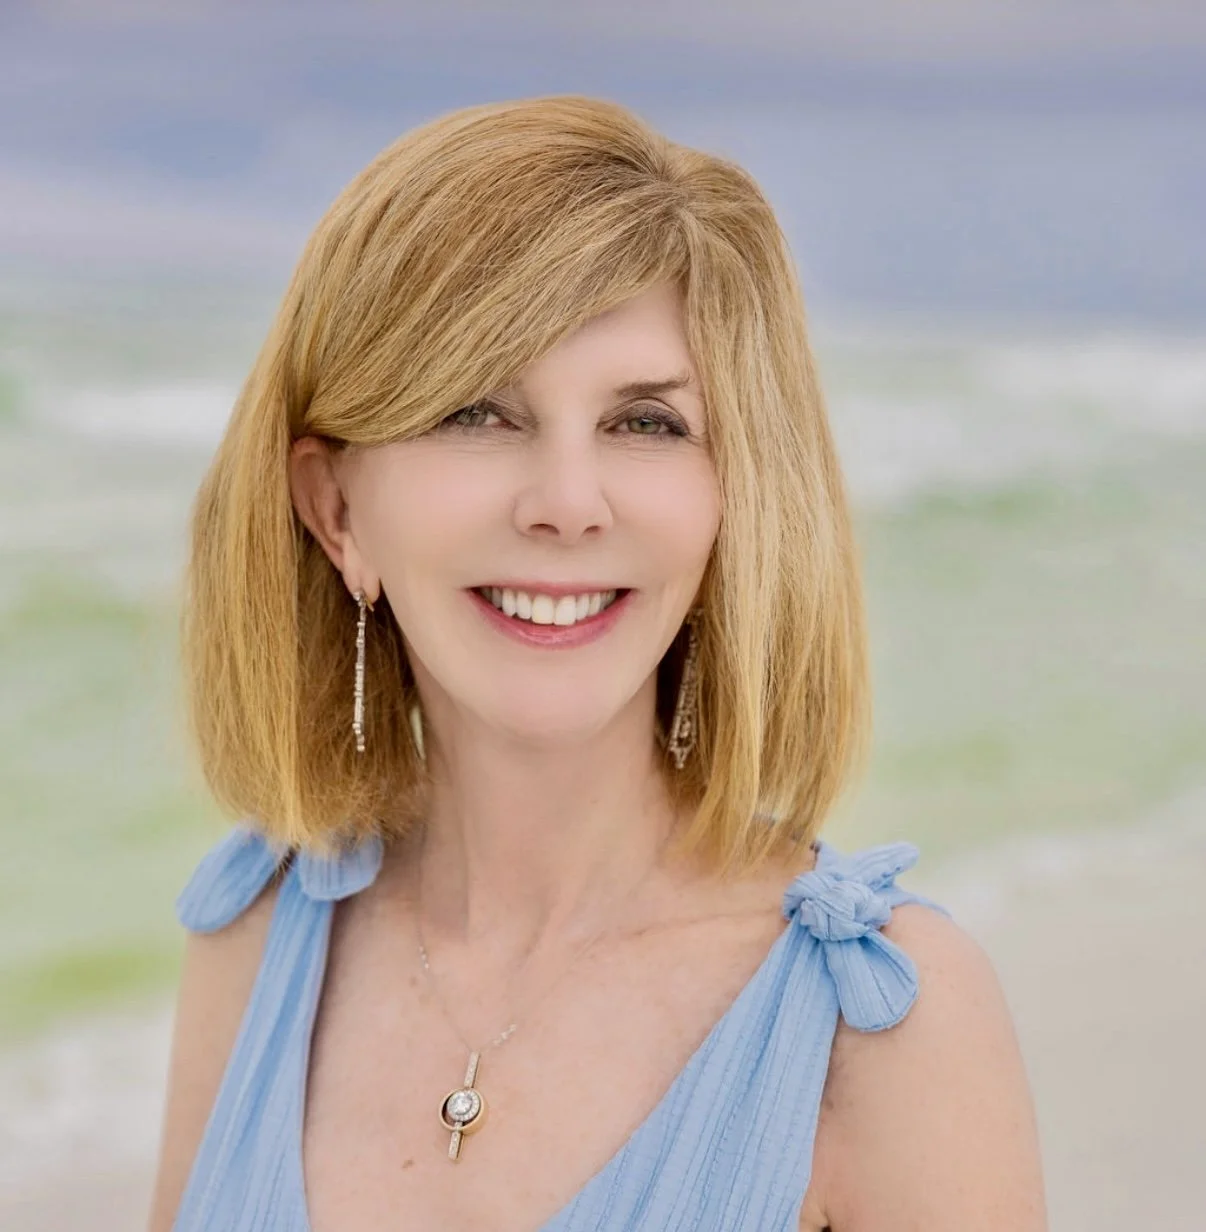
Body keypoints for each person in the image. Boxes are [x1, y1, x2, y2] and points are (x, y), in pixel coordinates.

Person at [147, 95, 1046, 1231]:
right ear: (336, 513)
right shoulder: (258, 928)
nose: (568, 503)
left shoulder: (883, 1029)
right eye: (477, 411)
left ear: (736, 499)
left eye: (646, 422)